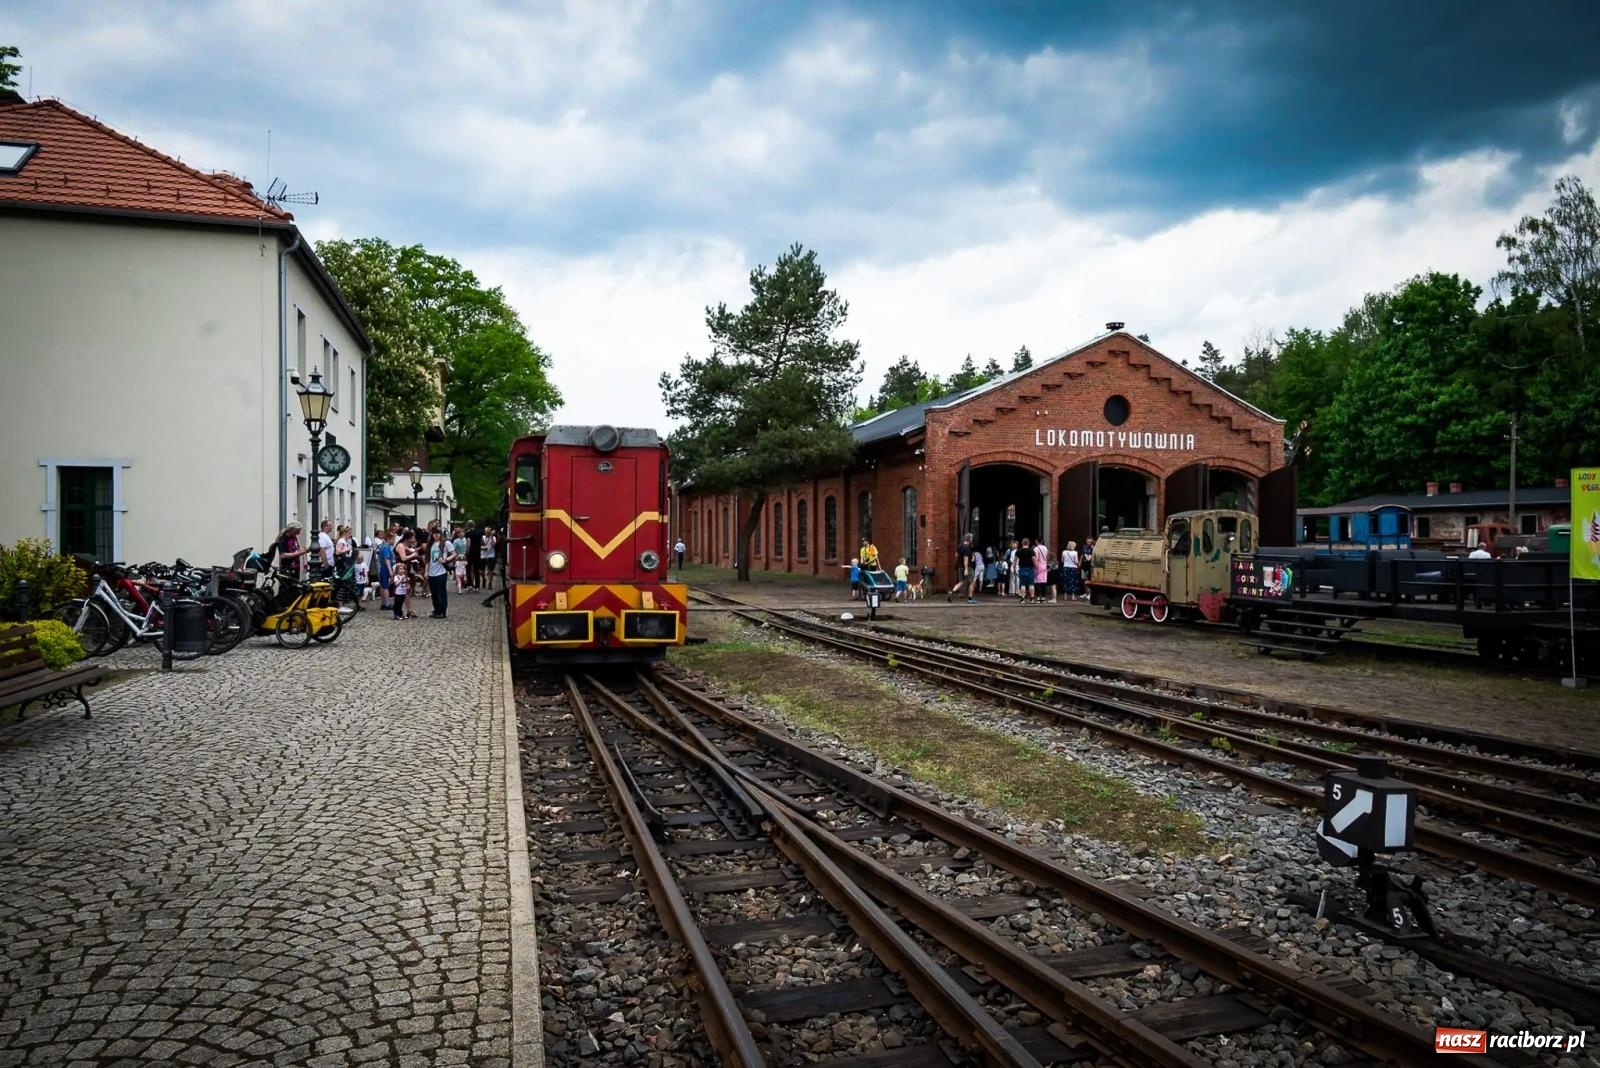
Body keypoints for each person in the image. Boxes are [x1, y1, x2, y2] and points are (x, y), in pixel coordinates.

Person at [427, 529, 454, 618]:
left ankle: (442, 611)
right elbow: (428, 559)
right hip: (431, 572)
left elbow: (454, 554)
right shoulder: (430, 544)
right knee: (434, 593)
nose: (436, 535)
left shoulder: (446, 543)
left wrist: (446, 559)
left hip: (441, 571)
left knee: (441, 592)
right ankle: (436, 610)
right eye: (434, 533)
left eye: (438, 533)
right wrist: (426, 571)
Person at [946, 533, 979, 603]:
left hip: (959, 566)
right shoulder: (967, 548)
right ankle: (970, 599)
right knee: (972, 582)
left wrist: (958, 562)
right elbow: (965, 560)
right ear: (970, 539)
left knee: (960, 582)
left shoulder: (960, 546)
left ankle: (951, 592)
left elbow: (956, 555)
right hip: (967, 568)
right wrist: (966, 569)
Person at [377, 532, 396, 610]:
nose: (394, 541)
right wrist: (390, 571)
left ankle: (383, 603)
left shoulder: (383, 546)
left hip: (382, 568)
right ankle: (387, 604)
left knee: (383, 586)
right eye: (393, 539)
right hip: (385, 568)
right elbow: (387, 559)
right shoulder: (386, 547)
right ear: (388, 539)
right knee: (385, 587)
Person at [467, 524, 485, 590]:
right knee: (476, 570)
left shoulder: (469, 533)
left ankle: (470, 585)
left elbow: (469, 544)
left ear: (469, 526)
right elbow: (483, 542)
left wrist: (467, 553)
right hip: (477, 553)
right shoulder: (479, 533)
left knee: (468, 570)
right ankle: (477, 586)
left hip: (470, 554)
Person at [1017, 537, 1035, 602]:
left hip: (1022, 568)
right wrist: (1036, 566)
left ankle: (1022, 598)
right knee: (1031, 584)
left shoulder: (1018, 551)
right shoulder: (1031, 551)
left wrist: (1013, 567)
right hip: (1030, 569)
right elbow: (1034, 559)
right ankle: (1032, 598)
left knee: (1022, 584)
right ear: (1028, 543)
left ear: (1022, 543)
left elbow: (1015, 560)